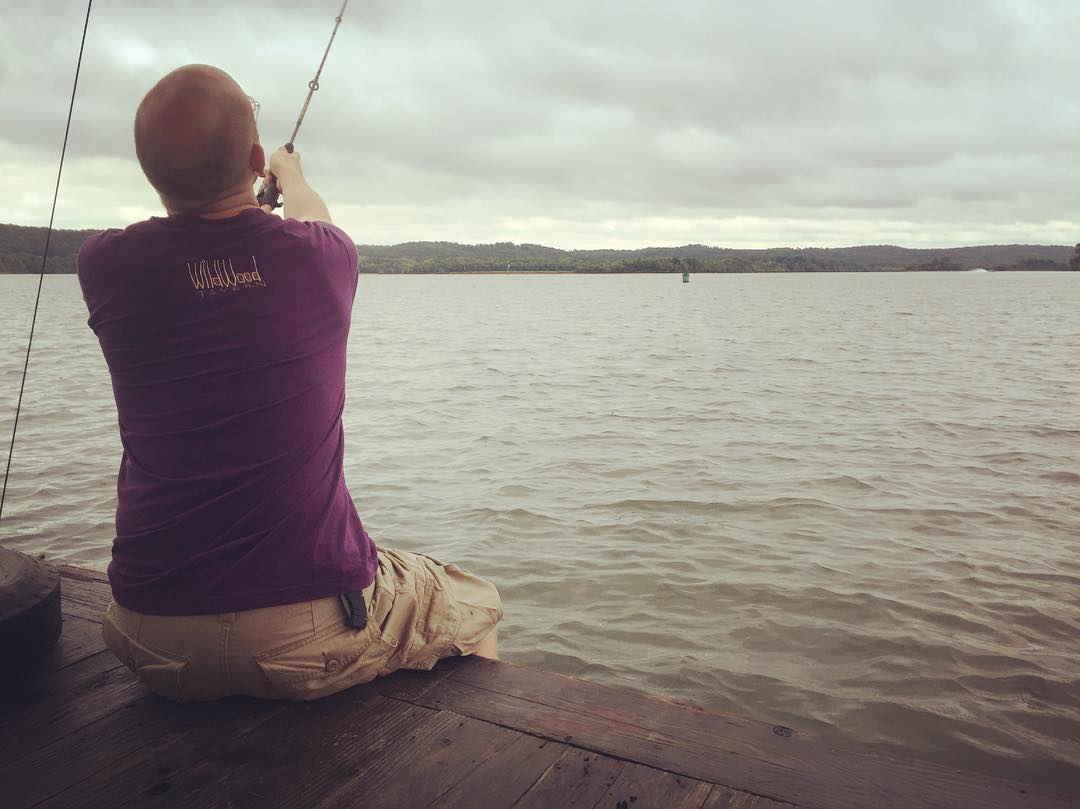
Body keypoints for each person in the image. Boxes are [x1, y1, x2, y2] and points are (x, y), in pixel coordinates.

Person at [76, 64, 501, 702]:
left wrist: (236, 201)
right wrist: (289, 180)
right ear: (254, 159)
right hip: (299, 637)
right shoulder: (321, 257)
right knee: (474, 601)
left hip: (149, 632)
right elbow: (317, 223)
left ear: (147, 170)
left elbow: (190, 246)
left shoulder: (105, 265)